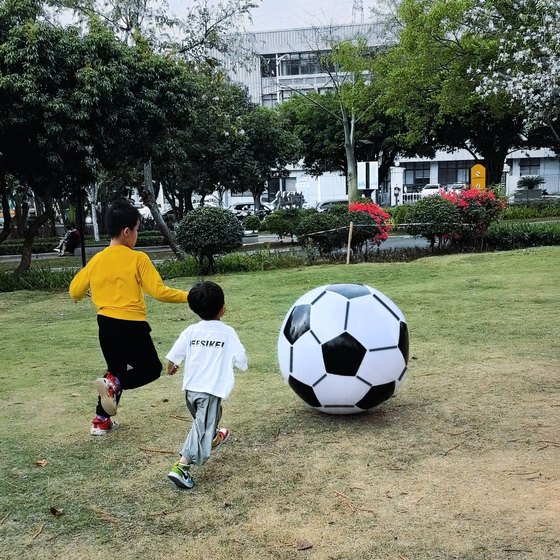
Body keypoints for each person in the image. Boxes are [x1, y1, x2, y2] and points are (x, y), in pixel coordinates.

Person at [69, 199, 188, 436]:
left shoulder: (97, 260)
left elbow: (74, 292)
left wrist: (93, 290)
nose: (136, 236)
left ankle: (100, 420)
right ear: (126, 232)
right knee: (151, 369)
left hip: (105, 325)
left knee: (114, 371)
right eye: (136, 230)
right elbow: (159, 292)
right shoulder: (137, 258)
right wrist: (189, 296)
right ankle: (113, 389)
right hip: (132, 325)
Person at [166, 281, 248, 489]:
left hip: (190, 390)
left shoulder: (191, 331)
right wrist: (240, 363)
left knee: (206, 420)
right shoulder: (227, 332)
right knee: (200, 426)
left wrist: (172, 366)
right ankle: (181, 467)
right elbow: (241, 360)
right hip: (209, 391)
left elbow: (174, 357)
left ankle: (214, 436)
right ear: (223, 308)